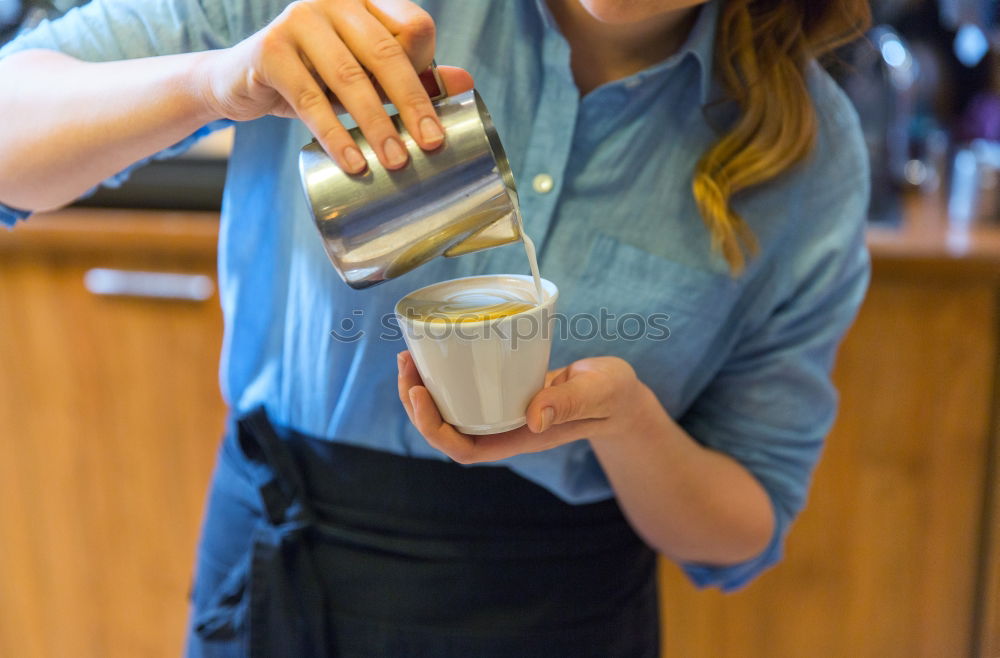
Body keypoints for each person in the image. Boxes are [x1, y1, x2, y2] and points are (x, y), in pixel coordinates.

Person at [0, 0, 873, 655]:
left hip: (559, 612)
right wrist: (215, 80)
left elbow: (744, 522)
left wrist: (631, 427)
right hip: (286, 573)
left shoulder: (806, 151)